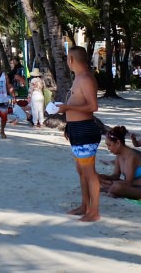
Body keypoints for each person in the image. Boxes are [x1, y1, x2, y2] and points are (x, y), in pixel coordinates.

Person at [56, 46, 101, 222]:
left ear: (71, 59)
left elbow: (92, 107)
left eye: (68, 59)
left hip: (85, 129)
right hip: (76, 129)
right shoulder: (78, 79)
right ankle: (85, 205)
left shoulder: (85, 79)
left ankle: (94, 211)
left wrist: (67, 107)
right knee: (81, 171)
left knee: (89, 172)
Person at [99, 125, 141, 202]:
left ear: (118, 142)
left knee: (116, 187)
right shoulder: (119, 155)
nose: (108, 148)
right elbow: (115, 176)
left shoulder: (131, 156)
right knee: (99, 179)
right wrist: (102, 177)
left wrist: (109, 182)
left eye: (109, 145)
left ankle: (108, 189)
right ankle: (109, 189)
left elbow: (128, 182)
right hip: (134, 188)